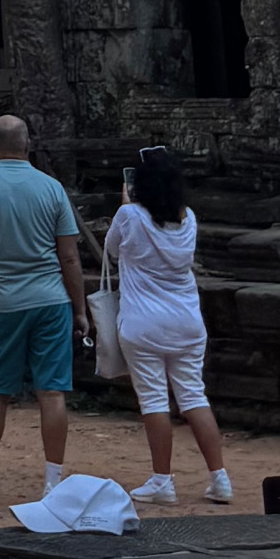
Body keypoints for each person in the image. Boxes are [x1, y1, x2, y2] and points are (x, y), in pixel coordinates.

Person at [0, 113, 89, 509]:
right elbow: (69, 257)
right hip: (50, 301)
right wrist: (79, 308)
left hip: (4, 303)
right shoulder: (51, 189)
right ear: (27, 143)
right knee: (52, 392)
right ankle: (52, 483)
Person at [105, 146, 232, 507]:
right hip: (187, 322)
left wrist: (124, 203)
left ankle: (163, 479)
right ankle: (219, 478)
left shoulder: (130, 216)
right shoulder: (188, 218)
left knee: (154, 401)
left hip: (143, 323)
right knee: (194, 396)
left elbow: (113, 250)